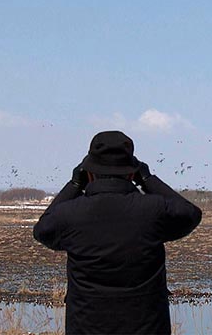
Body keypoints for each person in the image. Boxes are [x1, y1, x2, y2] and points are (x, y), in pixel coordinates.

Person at [33, 130, 202, 335]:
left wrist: (74, 185)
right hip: (148, 327)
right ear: (132, 173)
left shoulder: (71, 214)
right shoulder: (153, 210)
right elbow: (190, 214)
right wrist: (148, 179)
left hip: (86, 327)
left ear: (88, 172)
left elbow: (42, 230)